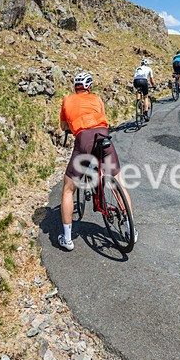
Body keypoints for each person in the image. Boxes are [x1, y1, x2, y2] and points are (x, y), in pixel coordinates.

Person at [58, 72, 134, 250]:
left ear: (75, 87)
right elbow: (102, 116)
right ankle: (132, 230)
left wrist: (74, 126)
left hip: (83, 139)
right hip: (103, 136)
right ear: (89, 87)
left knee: (68, 190)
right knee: (119, 183)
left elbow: (63, 127)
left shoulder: (67, 100)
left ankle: (67, 239)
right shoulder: (97, 98)